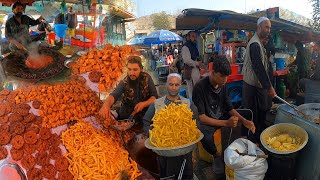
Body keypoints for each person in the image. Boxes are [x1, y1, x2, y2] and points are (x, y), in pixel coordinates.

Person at [192, 55, 256, 175]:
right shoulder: (199, 87)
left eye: (226, 76)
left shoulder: (223, 85)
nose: (225, 80)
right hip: (208, 120)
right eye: (222, 76)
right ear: (213, 72)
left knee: (246, 115)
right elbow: (202, 118)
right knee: (205, 136)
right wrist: (226, 123)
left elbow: (230, 108)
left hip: (221, 115)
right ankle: (217, 156)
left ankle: (239, 149)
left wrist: (244, 121)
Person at [143, 73, 198, 180]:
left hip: (184, 152)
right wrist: (153, 137)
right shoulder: (157, 104)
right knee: (168, 176)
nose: (173, 88)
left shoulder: (187, 104)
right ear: (166, 85)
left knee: (186, 175)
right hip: (164, 153)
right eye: (171, 84)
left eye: (177, 85)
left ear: (180, 85)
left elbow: (196, 122)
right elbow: (146, 121)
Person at [242, 17, 276, 143]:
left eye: (269, 28)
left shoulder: (261, 43)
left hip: (256, 85)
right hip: (251, 86)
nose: (268, 30)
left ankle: (256, 138)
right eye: (266, 27)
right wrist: (269, 87)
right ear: (259, 28)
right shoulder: (255, 44)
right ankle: (251, 141)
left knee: (259, 113)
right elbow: (258, 68)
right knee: (252, 114)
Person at [99, 56, 158, 127]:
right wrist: (106, 104)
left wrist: (144, 104)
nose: (131, 73)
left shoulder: (147, 78)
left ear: (141, 69)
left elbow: (154, 97)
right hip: (127, 117)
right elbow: (114, 95)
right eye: (129, 69)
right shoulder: (125, 81)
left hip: (145, 116)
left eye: (135, 70)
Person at [182, 31, 202, 98]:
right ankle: (193, 105)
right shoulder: (185, 47)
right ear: (188, 37)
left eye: (195, 37)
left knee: (197, 89)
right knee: (191, 91)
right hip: (190, 71)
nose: (195, 38)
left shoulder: (194, 47)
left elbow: (196, 57)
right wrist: (196, 63)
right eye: (193, 36)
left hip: (195, 70)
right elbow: (187, 60)